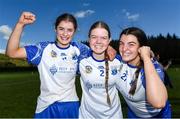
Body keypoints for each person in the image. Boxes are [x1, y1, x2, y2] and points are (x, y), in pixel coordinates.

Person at [6, 12, 116, 118]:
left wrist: (109, 47)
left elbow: (98, 48)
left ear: (74, 31)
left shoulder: (80, 49)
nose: (65, 34)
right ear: (55, 29)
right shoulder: (43, 49)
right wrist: (20, 24)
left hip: (70, 105)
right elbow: (12, 52)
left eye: (69, 30)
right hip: (45, 106)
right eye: (61, 29)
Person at [116, 27, 171, 118]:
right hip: (133, 114)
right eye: (121, 43)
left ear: (141, 48)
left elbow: (159, 102)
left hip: (158, 116)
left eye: (131, 44)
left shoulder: (153, 67)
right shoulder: (118, 61)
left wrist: (145, 57)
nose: (124, 48)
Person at [78, 21, 123, 118]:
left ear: (109, 40)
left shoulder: (119, 61)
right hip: (87, 116)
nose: (98, 41)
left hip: (114, 116)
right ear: (89, 39)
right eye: (94, 37)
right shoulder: (81, 60)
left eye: (103, 38)